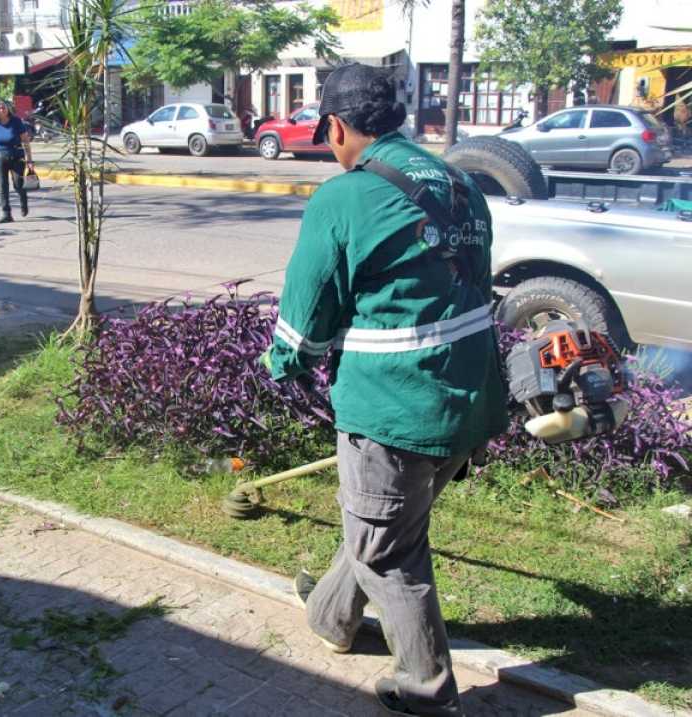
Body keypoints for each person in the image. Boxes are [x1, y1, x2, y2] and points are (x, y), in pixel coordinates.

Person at [264, 64, 507, 716]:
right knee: (387, 520)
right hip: (470, 396)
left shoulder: (342, 197)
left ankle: (426, 689)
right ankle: (332, 615)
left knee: (388, 546)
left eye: (327, 133)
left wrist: (285, 362)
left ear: (337, 126)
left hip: (395, 402)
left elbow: (306, 311)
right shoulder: (460, 182)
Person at [0, 99, 34, 223]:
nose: (2, 110)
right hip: (0, 157)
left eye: (4, 107)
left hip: (17, 156)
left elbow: (25, 140)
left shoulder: (16, 121)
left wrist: (29, 160)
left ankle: (23, 201)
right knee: (2, 186)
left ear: (8, 109)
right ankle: (6, 213)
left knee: (18, 183)